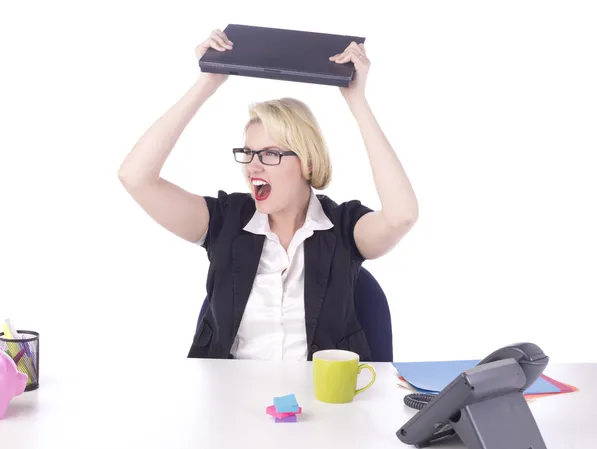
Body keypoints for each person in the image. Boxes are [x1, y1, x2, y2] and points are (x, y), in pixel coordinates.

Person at [118, 29, 419, 361]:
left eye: (271, 154)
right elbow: (136, 177)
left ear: (306, 161)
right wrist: (206, 83)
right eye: (248, 153)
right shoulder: (225, 221)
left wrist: (357, 101)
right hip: (230, 402)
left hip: (324, 405)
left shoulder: (345, 228)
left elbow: (401, 215)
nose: (253, 167)